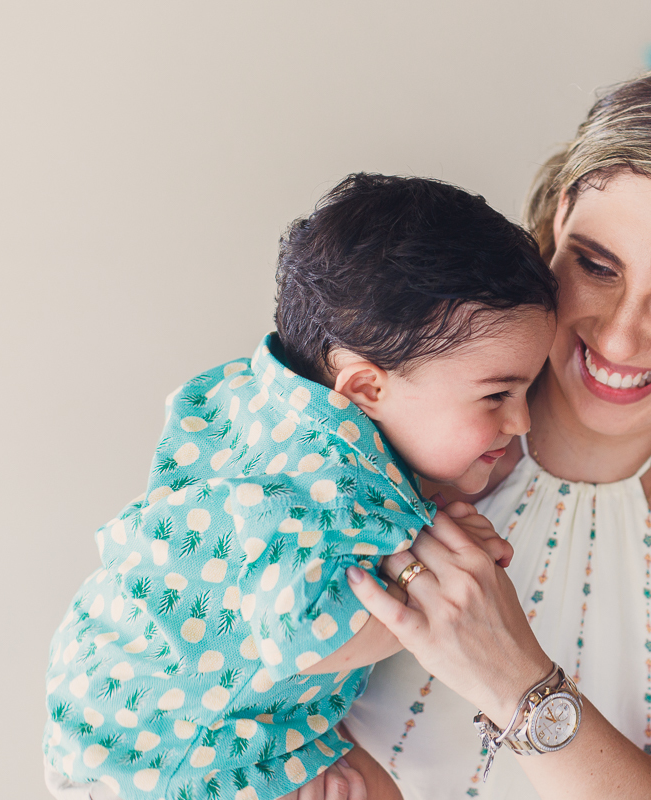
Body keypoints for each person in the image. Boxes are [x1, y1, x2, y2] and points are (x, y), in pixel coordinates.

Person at [333, 59, 651, 800]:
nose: (621, 339)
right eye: (598, 266)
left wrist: (513, 677)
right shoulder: (393, 410)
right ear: (560, 217)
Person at [41, 173, 558, 800]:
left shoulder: (273, 401)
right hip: (179, 755)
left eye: (528, 389)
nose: (522, 420)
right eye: (498, 394)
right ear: (366, 388)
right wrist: (434, 585)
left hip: (124, 698)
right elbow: (312, 640)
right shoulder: (325, 488)